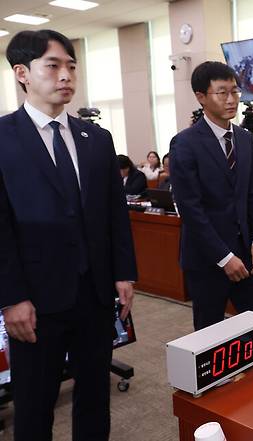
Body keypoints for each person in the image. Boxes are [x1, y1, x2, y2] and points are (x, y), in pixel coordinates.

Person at [0, 29, 137, 441]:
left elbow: (115, 214)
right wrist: (11, 298)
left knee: (94, 396)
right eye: (54, 65)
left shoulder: (96, 138)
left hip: (94, 295)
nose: (66, 76)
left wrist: (124, 273)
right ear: (22, 73)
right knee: (35, 404)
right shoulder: (3, 138)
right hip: (35, 300)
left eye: (72, 66)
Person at [169, 61, 253, 331]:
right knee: (210, 339)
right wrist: (224, 257)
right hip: (208, 261)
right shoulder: (185, 143)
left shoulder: (246, 138)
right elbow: (191, 210)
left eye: (235, 92)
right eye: (222, 92)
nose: (231, 99)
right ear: (201, 97)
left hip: (248, 255)